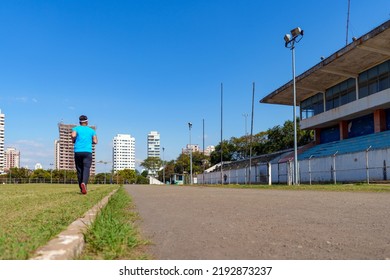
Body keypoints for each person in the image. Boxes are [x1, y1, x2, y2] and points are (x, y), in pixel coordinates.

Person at [71, 115, 98, 194]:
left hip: (78, 151)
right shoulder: (91, 131)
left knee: (79, 170)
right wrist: (90, 141)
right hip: (87, 152)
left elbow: (73, 135)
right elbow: (95, 141)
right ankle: (84, 184)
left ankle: (81, 188)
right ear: (87, 122)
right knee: (86, 169)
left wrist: (73, 140)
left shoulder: (76, 128)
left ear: (80, 122)